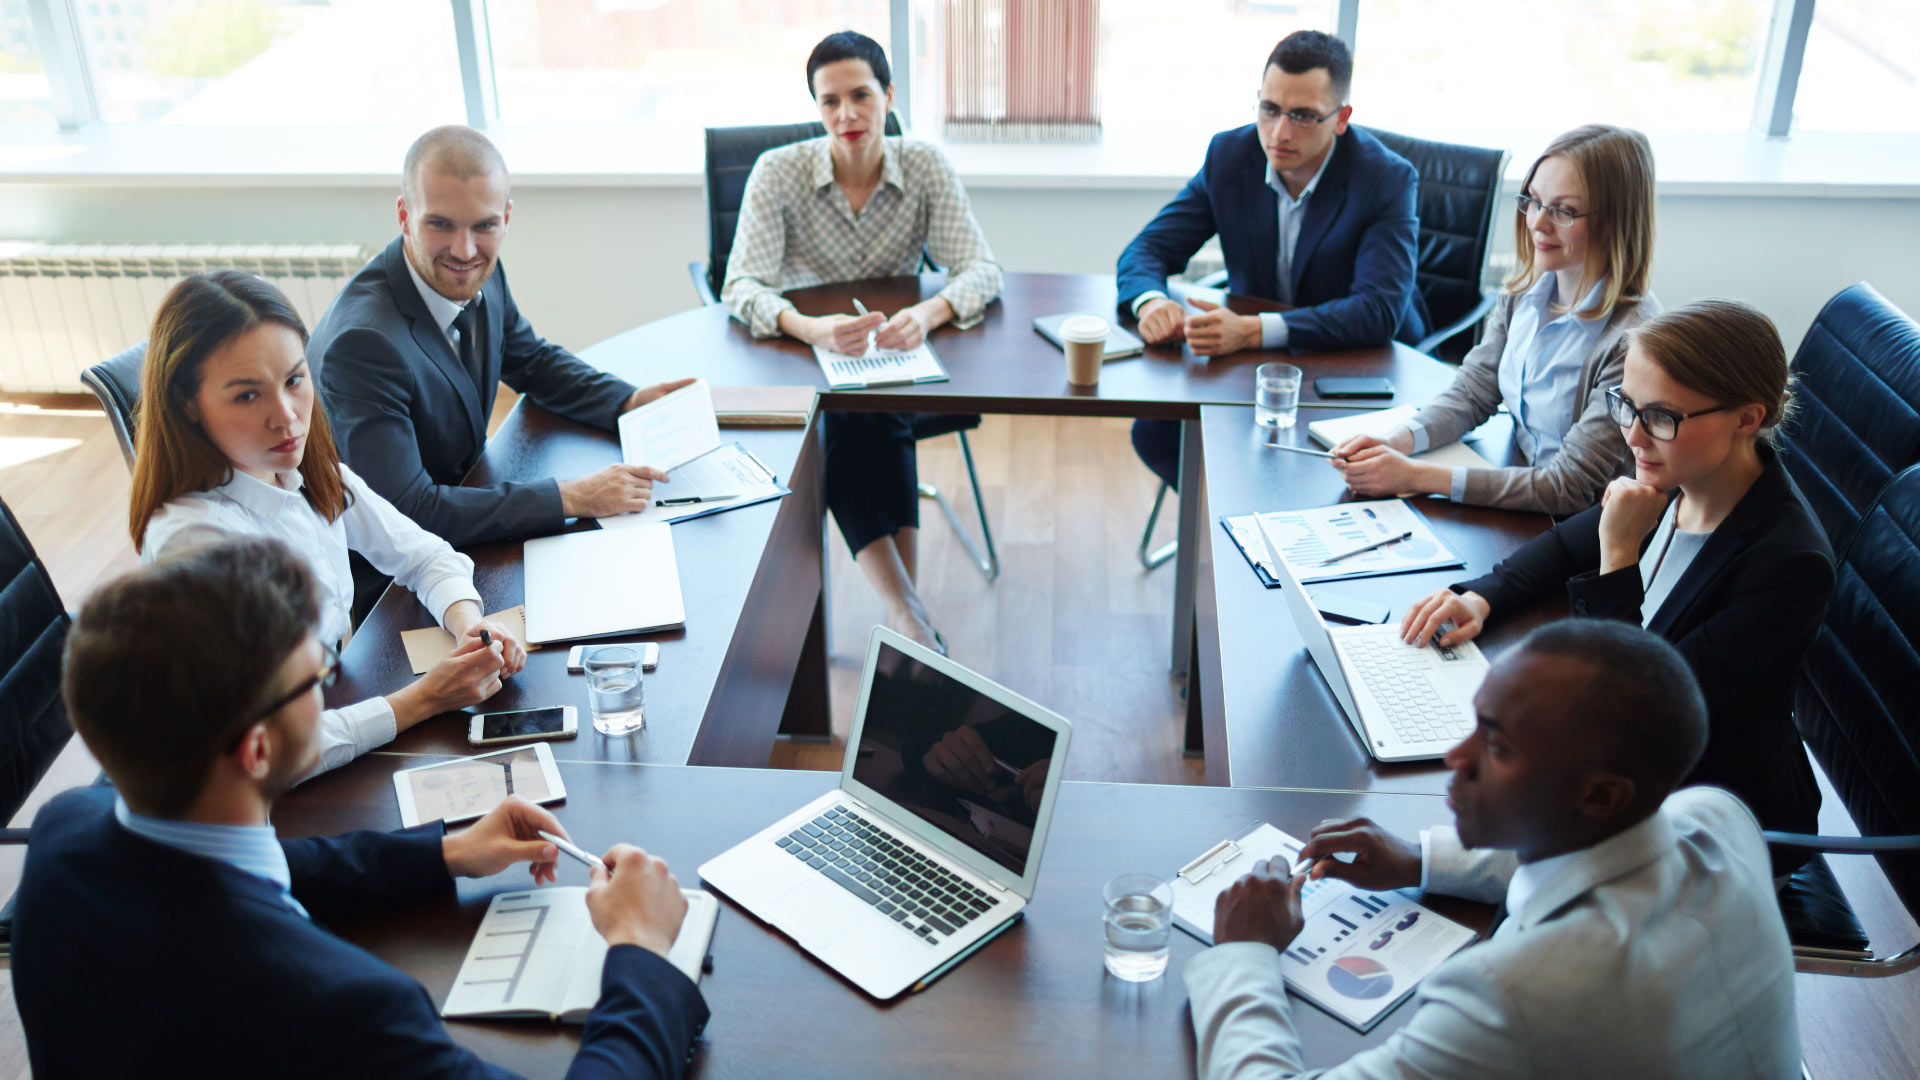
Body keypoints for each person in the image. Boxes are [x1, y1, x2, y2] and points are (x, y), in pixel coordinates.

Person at [13, 537, 708, 1078]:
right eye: (313, 679)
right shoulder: (339, 1008)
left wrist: (444, 853)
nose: (325, 692)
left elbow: (243, 870)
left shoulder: (65, 834)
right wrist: (642, 949)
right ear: (257, 751)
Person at [1189, 619, 1799, 1079]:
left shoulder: (1518, 995)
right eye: (1476, 722)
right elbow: (1598, 849)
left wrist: (1245, 952)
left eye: (1499, 747)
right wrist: (1420, 858)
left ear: (1602, 795)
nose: (1457, 758)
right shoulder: (1717, 816)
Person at [1399, 299, 1833, 872]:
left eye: (1660, 417)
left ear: (1747, 419)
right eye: (1627, 406)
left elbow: (1634, 714)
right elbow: (1566, 544)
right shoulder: (1685, 470)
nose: (1632, 436)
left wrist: (1620, 555)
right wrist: (1483, 595)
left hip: (1715, 822)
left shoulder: (1789, 564)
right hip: (1629, 774)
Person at [131, 270, 524, 775]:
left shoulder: (300, 469)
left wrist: (473, 628)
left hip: (332, 703)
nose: (287, 417)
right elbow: (268, 752)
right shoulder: (195, 543)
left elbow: (424, 554)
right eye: (247, 396)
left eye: (295, 379)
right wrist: (425, 699)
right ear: (187, 404)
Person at [721, 30, 1003, 653]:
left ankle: (906, 618)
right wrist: (809, 325)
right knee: (854, 421)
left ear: (889, 95)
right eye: (829, 102)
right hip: (800, 357)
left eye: (861, 96)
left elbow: (982, 270)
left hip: (891, 353)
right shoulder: (779, 172)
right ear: (816, 107)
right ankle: (909, 614)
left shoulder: (924, 165)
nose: (846, 115)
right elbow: (739, 285)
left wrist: (929, 313)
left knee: (876, 416)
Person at [309, 124, 694, 550]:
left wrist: (628, 401)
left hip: (471, 501)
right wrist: (573, 497)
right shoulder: (363, 345)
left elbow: (532, 361)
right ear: (403, 216)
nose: (464, 250)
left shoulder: (480, 274)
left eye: (484, 226)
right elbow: (408, 511)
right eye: (441, 224)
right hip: (399, 571)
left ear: (506, 219)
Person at [1118, 30, 1425, 491]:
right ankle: (1231, 529)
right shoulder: (1230, 156)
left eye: (1302, 116)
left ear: (1341, 118)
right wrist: (1150, 303)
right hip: (1253, 365)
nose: (1279, 133)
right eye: (1269, 109)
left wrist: (1253, 330)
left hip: (1357, 366)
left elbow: (1377, 311)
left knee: (1321, 475)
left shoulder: (1386, 179)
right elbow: (1147, 249)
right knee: (1156, 433)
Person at [1333, 124, 1660, 514]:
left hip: (1584, 525)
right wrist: (1397, 440)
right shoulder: (1526, 288)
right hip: (1518, 483)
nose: (1538, 222)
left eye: (1564, 210)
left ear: (1615, 221)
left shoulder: (1631, 341)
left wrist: (1413, 475)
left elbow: (1570, 486)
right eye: (1535, 201)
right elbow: (1474, 392)